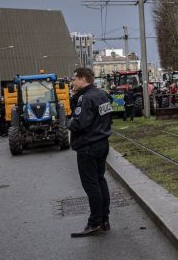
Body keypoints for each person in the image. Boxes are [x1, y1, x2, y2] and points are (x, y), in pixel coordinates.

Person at [67, 67, 112, 237]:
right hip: (102, 143)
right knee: (100, 180)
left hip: (88, 146)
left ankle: (94, 223)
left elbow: (80, 124)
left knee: (91, 185)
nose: (73, 82)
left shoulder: (85, 99)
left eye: (75, 79)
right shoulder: (101, 94)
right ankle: (104, 220)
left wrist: (67, 122)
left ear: (83, 79)